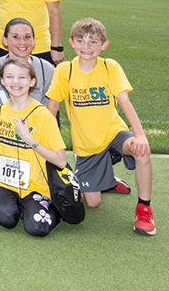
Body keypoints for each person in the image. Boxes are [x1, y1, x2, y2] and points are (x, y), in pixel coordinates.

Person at [46, 18, 156, 235]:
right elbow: (52, 109)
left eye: (93, 42)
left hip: (113, 132)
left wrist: (140, 135)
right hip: (87, 144)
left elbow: (124, 101)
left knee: (142, 151)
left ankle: (144, 210)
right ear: (72, 43)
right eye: (81, 41)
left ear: (104, 45)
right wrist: (46, 140)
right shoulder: (64, 71)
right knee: (93, 203)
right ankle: (108, 181)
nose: (87, 47)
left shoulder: (110, 67)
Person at [0, 58, 68, 237]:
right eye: (10, 77)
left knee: (37, 228)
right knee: (6, 219)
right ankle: (21, 205)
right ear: (2, 81)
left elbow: (61, 160)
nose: (16, 82)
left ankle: (55, 208)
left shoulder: (43, 116)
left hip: (36, 186)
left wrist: (29, 139)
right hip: (6, 183)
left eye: (22, 77)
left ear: (32, 82)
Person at [0, 18, 55, 178]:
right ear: (5, 40)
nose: (22, 42)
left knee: (47, 184)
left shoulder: (47, 69)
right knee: (4, 189)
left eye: (27, 37)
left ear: (33, 40)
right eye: (15, 37)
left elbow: (50, 109)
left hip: (34, 137)